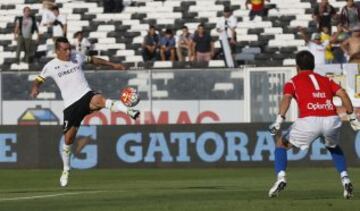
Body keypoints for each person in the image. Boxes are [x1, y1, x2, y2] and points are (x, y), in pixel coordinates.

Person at [30, 37, 140, 187]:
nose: (69, 51)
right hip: (71, 106)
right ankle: (66, 169)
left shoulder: (77, 56)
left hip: (86, 95)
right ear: (57, 51)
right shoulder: (51, 66)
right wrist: (35, 88)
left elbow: (93, 60)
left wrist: (112, 64)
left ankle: (129, 111)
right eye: (65, 49)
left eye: (69, 48)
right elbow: (39, 79)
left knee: (101, 100)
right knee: (68, 140)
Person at [268, 50, 360, 199]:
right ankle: (345, 179)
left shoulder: (293, 81)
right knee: (333, 146)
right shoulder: (326, 80)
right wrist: (352, 117)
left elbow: (286, 99)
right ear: (314, 65)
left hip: (309, 120)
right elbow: (342, 93)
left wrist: (279, 120)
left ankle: (281, 178)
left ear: (297, 66)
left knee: (281, 145)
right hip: (331, 119)